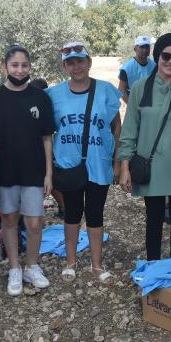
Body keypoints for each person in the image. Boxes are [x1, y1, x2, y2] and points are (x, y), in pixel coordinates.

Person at [119, 33, 171, 261]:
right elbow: (129, 131)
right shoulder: (139, 88)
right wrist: (125, 167)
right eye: (166, 56)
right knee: (153, 218)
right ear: (157, 56)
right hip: (151, 165)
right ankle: (154, 267)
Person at [46, 42, 121, 281]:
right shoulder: (54, 95)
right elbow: (46, 132)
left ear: (89, 62)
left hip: (99, 162)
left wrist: (118, 160)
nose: (76, 66)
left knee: (96, 213)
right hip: (69, 164)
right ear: (65, 66)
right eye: (70, 62)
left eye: (80, 61)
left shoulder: (106, 90)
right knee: (72, 213)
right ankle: (71, 261)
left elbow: (116, 125)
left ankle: (97, 265)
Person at [0, 45, 55, 296]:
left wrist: (48, 173)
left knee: (35, 223)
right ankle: (15, 268)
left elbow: (47, 138)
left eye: (24, 65)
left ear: (30, 67)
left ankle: (32, 266)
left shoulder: (40, 98)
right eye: (14, 65)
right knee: (9, 220)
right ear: (5, 67)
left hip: (34, 171)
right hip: (5, 172)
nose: (20, 70)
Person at [30, 78, 65, 219]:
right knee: (50, 182)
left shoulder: (44, 104)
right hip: (48, 149)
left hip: (45, 149)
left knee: (48, 182)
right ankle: (63, 207)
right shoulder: (48, 103)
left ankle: (62, 207)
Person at [118, 36, 156, 104]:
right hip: (135, 103)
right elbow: (121, 89)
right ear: (135, 49)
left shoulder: (154, 66)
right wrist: (132, 106)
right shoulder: (126, 68)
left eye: (147, 46)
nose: (145, 50)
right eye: (141, 47)